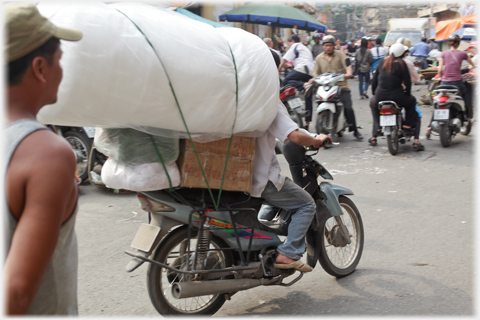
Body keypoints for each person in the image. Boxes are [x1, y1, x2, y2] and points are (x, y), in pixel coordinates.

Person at [3, 3, 83, 315]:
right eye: (59, 61)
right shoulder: (45, 154)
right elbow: (17, 292)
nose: (62, 72)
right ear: (40, 68)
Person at [251, 102, 331, 272]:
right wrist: (316, 140)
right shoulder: (266, 100)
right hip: (260, 177)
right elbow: (295, 137)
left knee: (276, 197)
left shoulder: (233, 97)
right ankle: (288, 253)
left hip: (230, 177)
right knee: (306, 204)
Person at [305, 35, 364, 140]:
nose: (328, 47)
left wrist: (348, 74)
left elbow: (348, 69)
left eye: (330, 45)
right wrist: (311, 80)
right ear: (323, 46)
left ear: (334, 46)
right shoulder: (319, 58)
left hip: (341, 87)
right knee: (318, 102)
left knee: (348, 108)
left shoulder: (341, 55)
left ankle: (355, 130)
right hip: (325, 87)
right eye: (326, 45)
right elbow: (316, 74)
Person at [370, 43, 424, 151]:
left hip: (380, 95)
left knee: (373, 104)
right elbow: (408, 82)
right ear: (402, 53)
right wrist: (407, 93)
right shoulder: (402, 63)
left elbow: (374, 80)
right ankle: (407, 126)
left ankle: (378, 126)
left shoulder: (382, 62)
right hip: (397, 96)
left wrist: (374, 94)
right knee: (412, 101)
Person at [426, 34, 475, 138]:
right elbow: (472, 65)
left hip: (444, 83)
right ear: (459, 43)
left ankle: (429, 127)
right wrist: (468, 67)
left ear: (449, 42)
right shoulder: (463, 54)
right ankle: (467, 116)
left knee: (437, 103)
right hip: (457, 83)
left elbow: (439, 70)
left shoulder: (443, 54)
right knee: (466, 93)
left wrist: (443, 77)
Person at [278, 34, 315, 130]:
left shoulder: (295, 45)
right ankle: (307, 122)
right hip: (309, 72)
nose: (288, 45)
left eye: (288, 43)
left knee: (286, 81)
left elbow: (284, 59)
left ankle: (304, 85)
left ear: (292, 41)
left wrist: (278, 68)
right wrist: (287, 67)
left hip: (301, 69)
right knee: (308, 96)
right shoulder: (305, 48)